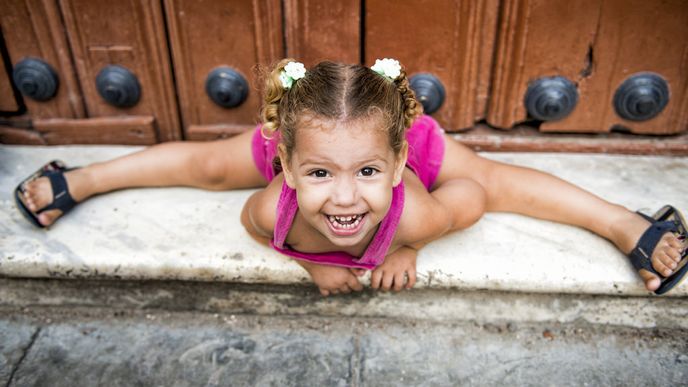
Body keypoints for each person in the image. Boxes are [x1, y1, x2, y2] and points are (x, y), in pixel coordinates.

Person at [14, 58, 687, 296]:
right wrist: (307, 262)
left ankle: (625, 222)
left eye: (367, 173)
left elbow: (473, 199)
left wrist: (407, 244)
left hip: (402, 149)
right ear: (282, 165)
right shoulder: (272, 202)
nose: (343, 199)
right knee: (207, 164)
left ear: (392, 168)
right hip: (321, 133)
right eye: (317, 177)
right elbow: (260, 224)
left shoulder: (413, 203)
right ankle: (84, 176)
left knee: (493, 175)